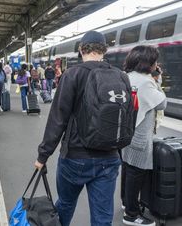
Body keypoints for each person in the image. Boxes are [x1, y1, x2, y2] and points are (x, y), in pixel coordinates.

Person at [34, 31, 127, 226]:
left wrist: (43, 155)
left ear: (81, 50)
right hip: (109, 158)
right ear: (104, 50)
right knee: (102, 217)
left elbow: (58, 119)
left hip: (75, 157)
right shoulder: (120, 76)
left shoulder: (73, 74)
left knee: (66, 204)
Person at [121, 46, 166, 226]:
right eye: (154, 61)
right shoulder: (147, 82)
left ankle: (127, 203)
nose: (156, 64)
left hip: (125, 131)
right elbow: (162, 103)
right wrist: (157, 80)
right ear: (149, 64)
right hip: (139, 134)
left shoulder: (126, 76)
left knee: (127, 168)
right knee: (136, 172)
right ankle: (132, 215)